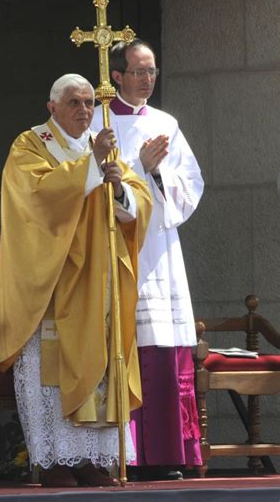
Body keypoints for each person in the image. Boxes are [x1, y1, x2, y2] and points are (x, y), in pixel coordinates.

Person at [0, 74, 152, 487]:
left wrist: (119, 192)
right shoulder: (31, 144)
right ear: (52, 107)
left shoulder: (101, 144)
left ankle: (88, 458)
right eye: (74, 103)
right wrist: (91, 166)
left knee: (98, 365)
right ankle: (53, 458)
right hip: (54, 281)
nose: (83, 110)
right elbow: (36, 199)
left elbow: (137, 199)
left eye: (88, 103)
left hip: (97, 282)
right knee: (51, 370)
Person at [92, 39, 204, 480]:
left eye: (152, 70)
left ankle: (169, 453)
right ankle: (128, 455)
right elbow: (92, 187)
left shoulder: (166, 124)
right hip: (116, 248)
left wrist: (155, 170)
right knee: (125, 344)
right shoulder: (96, 127)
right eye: (139, 71)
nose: (148, 78)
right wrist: (135, 171)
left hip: (159, 249)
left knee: (162, 347)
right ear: (117, 76)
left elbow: (191, 186)